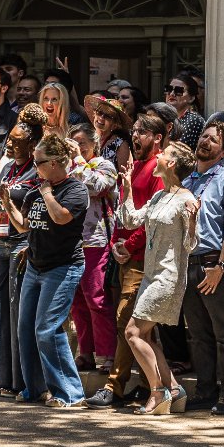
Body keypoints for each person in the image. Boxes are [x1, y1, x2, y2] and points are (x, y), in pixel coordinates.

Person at [0, 134, 91, 407]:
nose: (34, 166)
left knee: (47, 329)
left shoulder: (75, 190)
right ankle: (35, 388)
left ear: (54, 163)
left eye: (38, 162)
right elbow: (23, 226)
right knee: (25, 328)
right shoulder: (33, 191)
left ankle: (70, 394)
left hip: (63, 267)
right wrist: (7, 202)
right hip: (35, 267)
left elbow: (62, 217)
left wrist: (48, 193)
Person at [84, 117, 167, 410]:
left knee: (126, 321)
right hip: (124, 255)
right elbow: (124, 212)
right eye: (134, 131)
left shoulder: (159, 170)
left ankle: (115, 385)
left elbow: (153, 219)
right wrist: (116, 243)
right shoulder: (132, 168)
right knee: (139, 327)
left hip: (144, 259)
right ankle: (150, 384)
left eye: (143, 132)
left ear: (158, 137)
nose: (136, 136)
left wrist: (129, 246)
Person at [117, 141, 200, 414]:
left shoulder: (187, 199)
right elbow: (130, 220)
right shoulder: (158, 197)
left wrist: (193, 222)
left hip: (168, 277)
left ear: (172, 164)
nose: (158, 156)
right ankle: (174, 389)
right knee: (147, 336)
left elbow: (191, 245)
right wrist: (127, 189)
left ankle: (157, 392)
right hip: (151, 275)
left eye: (163, 154)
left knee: (133, 332)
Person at [0, 103, 47, 397]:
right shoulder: (8, 166)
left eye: (17, 142)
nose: (10, 145)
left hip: (23, 243)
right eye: (10, 140)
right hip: (1, 240)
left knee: (17, 309)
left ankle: (21, 381)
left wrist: (7, 202)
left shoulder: (38, 170)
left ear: (32, 143)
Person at [181, 121, 224, 415]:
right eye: (204, 137)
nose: (205, 142)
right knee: (196, 333)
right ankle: (205, 389)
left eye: (213, 140)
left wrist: (221, 265)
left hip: (212, 264)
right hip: (187, 263)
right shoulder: (186, 182)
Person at [68, 123, 120, 374]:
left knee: (96, 298)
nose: (77, 148)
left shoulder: (104, 165)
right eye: (73, 143)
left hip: (97, 240)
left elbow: (96, 186)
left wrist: (77, 160)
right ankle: (85, 352)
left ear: (94, 143)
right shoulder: (69, 167)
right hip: (70, 240)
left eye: (82, 143)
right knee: (77, 300)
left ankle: (107, 353)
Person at [86, 94, 133, 168]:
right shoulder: (86, 137)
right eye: (100, 112)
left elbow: (125, 175)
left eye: (108, 116)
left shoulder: (120, 144)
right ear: (94, 114)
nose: (101, 118)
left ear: (115, 124)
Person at [165, 72, 206, 146]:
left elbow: (177, 150)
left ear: (191, 98)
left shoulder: (194, 120)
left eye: (179, 91)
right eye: (169, 89)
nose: (171, 94)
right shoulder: (165, 118)